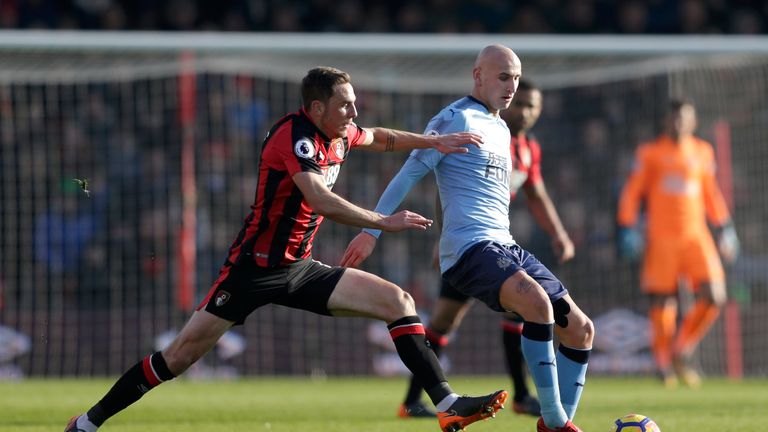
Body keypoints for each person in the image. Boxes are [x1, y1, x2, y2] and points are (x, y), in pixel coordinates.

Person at [65, 66, 508, 432]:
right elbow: (321, 201)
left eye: (354, 102)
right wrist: (381, 222)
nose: (354, 111)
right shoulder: (294, 137)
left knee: (398, 301)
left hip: (299, 268)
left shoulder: (341, 132)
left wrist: (432, 141)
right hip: (251, 270)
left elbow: (380, 137)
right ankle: (87, 423)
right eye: (345, 105)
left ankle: (447, 404)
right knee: (179, 356)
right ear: (317, 108)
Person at [341, 45, 593, 432]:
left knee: (580, 329)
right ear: (478, 76)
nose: (511, 86)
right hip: (469, 249)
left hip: (505, 245)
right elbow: (408, 174)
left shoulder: (503, 128)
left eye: (516, 78)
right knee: (534, 304)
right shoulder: (454, 118)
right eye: (503, 76)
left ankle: (553, 423)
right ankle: (556, 421)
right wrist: (371, 229)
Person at [392, 79, 575, 419]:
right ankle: (413, 400)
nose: (524, 111)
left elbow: (536, 193)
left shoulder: (528, 149)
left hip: (499, 243)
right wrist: (442, 237)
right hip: (467, 244)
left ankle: (522, 395)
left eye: (532, 106)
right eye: (519, 103)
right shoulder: (482, 131)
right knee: (446, 320)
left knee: (522, 311)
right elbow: (444, 185)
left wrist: (558, 233)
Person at [617, 98, 739, 388]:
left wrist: (724, 227)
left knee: (715, 295)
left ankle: (680, 349)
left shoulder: (702, 151)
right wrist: (627, 225)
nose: (678, 123)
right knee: (662, 300)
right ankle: (663, 363)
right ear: (665, 122)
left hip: (696, 235)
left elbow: (710, 192)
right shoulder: (650, 153)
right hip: (661, 237)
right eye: (673, 119)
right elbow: (633, 191)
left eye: (683, 118)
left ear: (693, 122)